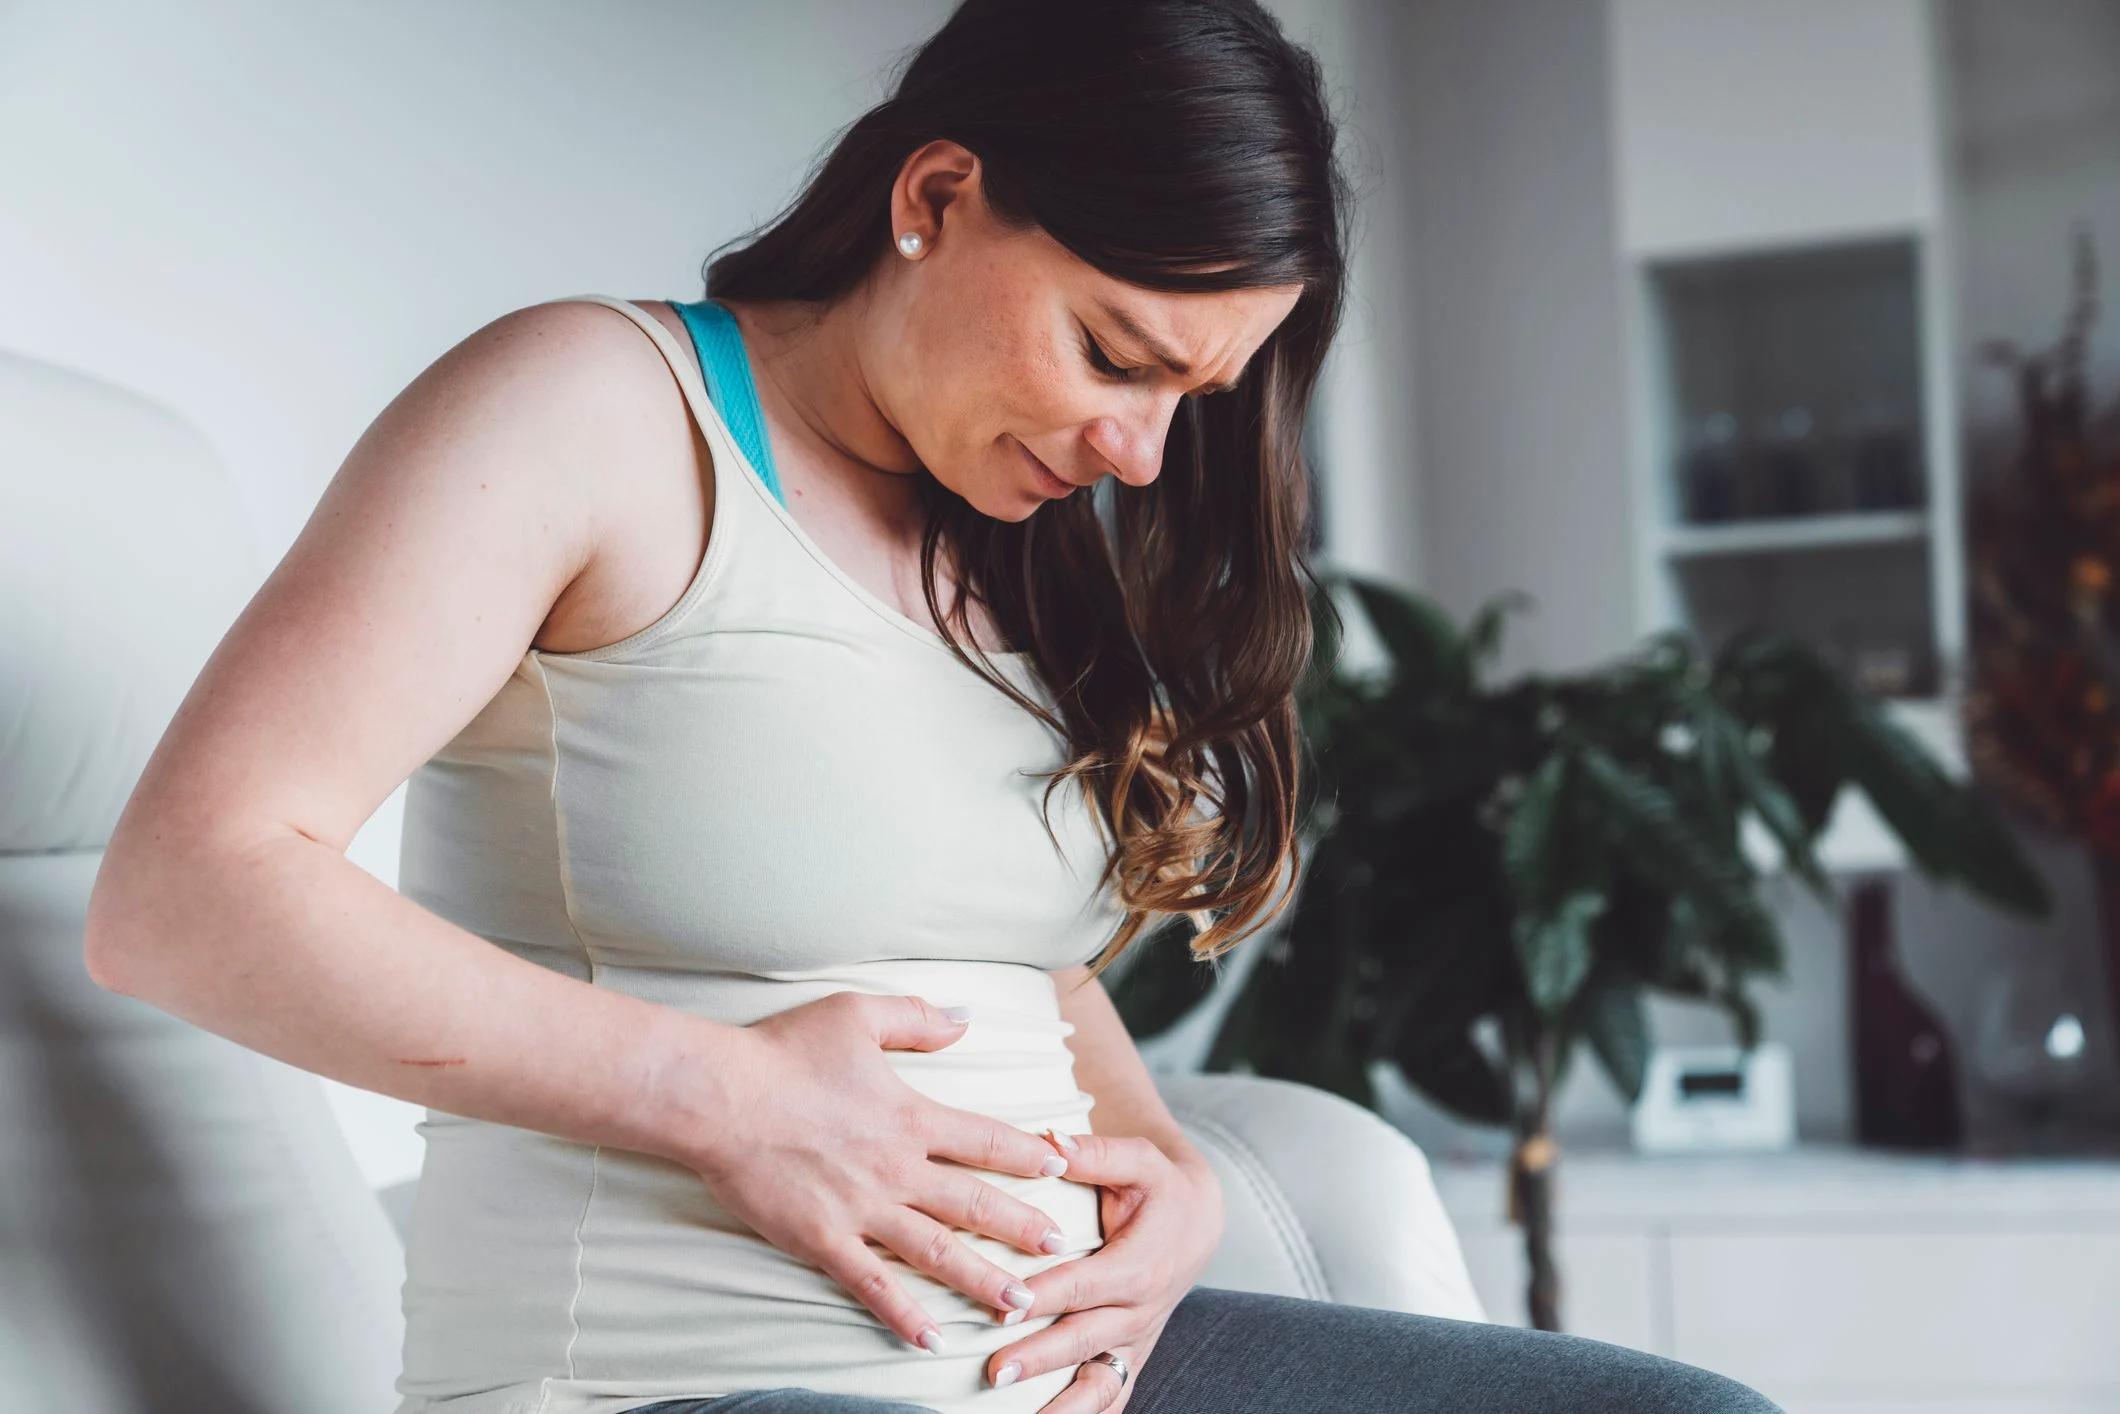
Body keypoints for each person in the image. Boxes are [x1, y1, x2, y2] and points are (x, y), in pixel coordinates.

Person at [83, 1, 1784, 1410]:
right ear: (938, 196)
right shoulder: (593, 414)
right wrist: (717, 1095)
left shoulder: (1015, 543)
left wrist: (1159, 1164)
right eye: (1114, 356)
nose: (1139, 451)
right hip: (675, 1380)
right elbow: (189, 891)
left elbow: (1007, 955)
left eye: (1193, 398)